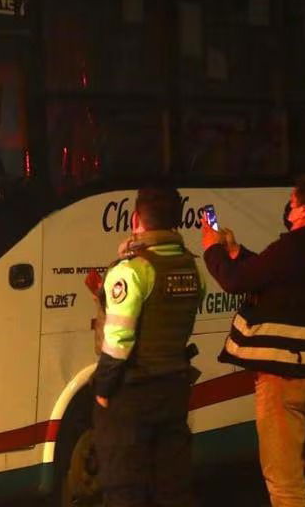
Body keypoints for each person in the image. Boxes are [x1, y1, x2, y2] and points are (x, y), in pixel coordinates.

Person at [201, 172, 305, 507]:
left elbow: (236, 281)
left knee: (285, 483)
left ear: (303, 211)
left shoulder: (293, 247)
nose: (290, 206)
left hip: (287, 379)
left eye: (294, 201)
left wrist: (212, 250)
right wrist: (237, 251)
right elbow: (278, 275)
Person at [92, 186, 202, 507]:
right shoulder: (193, 268)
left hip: (133, 392)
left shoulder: (132, 270)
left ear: (137, 219)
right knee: (172, 487)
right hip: (175, 386)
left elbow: (119, 340)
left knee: (124, 486)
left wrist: (103, 387)